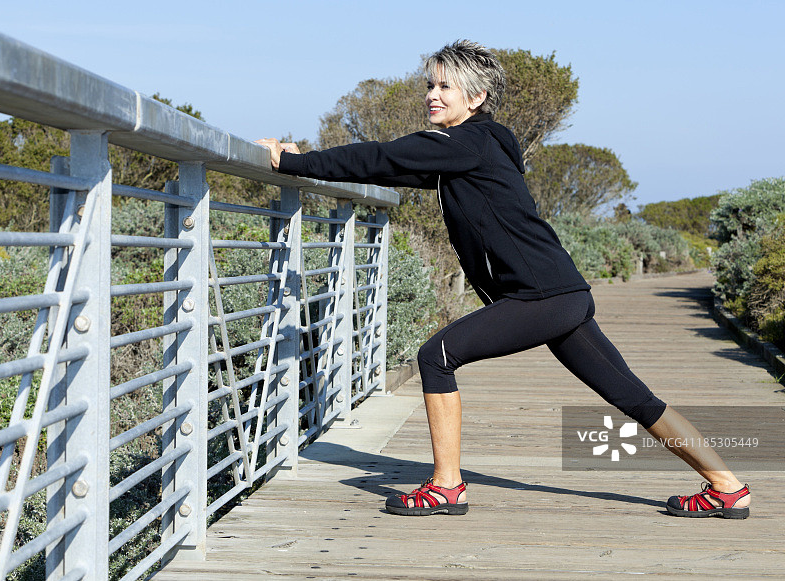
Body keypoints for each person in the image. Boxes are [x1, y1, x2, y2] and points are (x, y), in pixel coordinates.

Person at [256, 40, 751, 519]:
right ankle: (728, 488)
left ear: (477, 97)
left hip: (539, 296)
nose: (432, 93)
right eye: (430, 84)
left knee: (435, 356)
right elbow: (397, 170)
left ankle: (447, 486)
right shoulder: (488, 141)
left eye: (446, 87)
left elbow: (385, 157)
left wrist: (295, 162)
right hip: (564, 292)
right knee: (634, 398)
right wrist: (311, 161)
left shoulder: (464, 141)